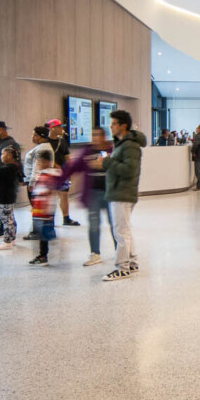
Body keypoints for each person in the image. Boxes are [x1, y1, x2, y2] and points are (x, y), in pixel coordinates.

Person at [102, 110, 144, 281]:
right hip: (120, 191)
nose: (110, 127)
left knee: (120, 231)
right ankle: (132, 262)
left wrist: (106, 162)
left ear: (123, 125)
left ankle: (122, 267)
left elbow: (129, 170)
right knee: (125, 229)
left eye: (113, 124)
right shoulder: (122, 144)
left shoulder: (129, 146)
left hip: (123, 192)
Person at [67, 127, 113, 266]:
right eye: (93, 135)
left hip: (110, 193)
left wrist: (104, 164)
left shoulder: (111, 150)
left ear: (104, 136)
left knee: (115, 224)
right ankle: (95, 253)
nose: (96, 138)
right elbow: (73, 167)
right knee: (94, 225)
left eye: (99, 135)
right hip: (93, 193)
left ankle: (120, 252)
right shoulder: (87, 152)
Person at [22, 128, 55, 239]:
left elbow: (37, 167)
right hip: (37, 181)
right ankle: (43, 231)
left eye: (34, 135)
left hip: (37, 182)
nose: (32, 137)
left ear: (41, 136)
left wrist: (32, 183)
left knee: (38, 209)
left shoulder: (42, 149)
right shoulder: (43, 147)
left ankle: (37, 232)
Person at [27, 153, 59, 267]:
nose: (38, 164)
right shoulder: (43, 174)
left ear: (47, 162)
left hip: (46, 209)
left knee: (44, 234)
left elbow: (49, 191)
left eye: (40, 162)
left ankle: (43, 256)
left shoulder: (51, 174)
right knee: (41, 233)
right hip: (39, 209)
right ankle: (42, 255)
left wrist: (46, 207)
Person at [0, 148, 23, 251]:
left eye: (3, 154)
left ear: (9, 156)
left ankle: (7, 241)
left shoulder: (8, 169)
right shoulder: (15, 168)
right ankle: (12, 238)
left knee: (6, 220)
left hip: (3, 197)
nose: (1, 156)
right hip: (7, 197)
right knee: (10, 218)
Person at [47, 119, 79, 227]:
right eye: (59, 127)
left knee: (64, 195)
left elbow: (67, 156)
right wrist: (58, 167)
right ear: (52, 128)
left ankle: (66, 218)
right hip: (50, 172)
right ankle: (50, 219)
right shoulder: (45, 142)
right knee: (51, 196)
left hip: (63, 173)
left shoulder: (62, 141)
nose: (62, 129)